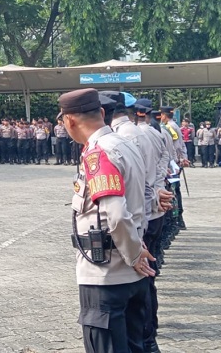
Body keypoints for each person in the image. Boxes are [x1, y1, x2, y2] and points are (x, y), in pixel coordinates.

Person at [59, 88, 152, 353]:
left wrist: (134, 255)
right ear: (101, 113)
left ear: (70, 121)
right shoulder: (125, 145)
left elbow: (116, 214)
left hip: (107, 274)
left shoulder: (98, 154)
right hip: (131, 275)